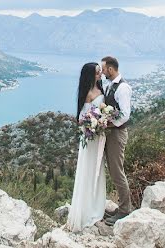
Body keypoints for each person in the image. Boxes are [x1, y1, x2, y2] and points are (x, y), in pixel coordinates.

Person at [65, 62, 107, 231]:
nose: (100, 74)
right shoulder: (88, 93)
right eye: (97, 73)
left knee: (98, 171)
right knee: (88, 170)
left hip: (100, 137)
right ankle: (86, 210)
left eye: (100, 72)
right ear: (90, 75)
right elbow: (82, 118)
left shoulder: (100, 89)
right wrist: (93, 125)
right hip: (91, 138)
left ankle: (97, 207)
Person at [100, 55, 132, 225]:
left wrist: (108, 123)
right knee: (113, 171)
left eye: (104, 69)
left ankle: (125, 210)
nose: (102, 71)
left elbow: (125, 114)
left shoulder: (123, 88)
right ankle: (121, 207)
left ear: (110, 69)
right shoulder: (109, 85)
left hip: (117, 134)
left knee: (117, 172)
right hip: (110, 134)